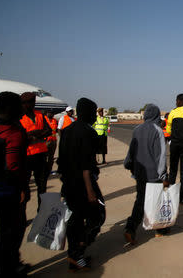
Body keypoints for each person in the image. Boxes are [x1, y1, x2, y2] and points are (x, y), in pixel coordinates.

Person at [58, 98, 105, 272]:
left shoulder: (67, 131)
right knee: (98, 215)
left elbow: (61, 162)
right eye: (93, 113)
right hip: (84, 185)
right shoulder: (88, 132)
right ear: (87, 113)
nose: (95, 116)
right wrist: (90, 191)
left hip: (69, 184)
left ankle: (74, 257)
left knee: (75, 219)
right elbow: (86, 166)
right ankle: (78, 249)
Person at [123, 104, 169, 242]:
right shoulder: (158, 130)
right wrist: (164, 176)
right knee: (156, 201)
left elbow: (132, 149)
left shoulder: (137, 129)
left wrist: (128, 164)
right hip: (153, 174)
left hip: (139, 172)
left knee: (141, 200)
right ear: (156, 116)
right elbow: (160, 156)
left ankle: (130, 229)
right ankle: (160, 229)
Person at [0, 92, 29, 277]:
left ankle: (3, 264)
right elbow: (13, 165)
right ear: (9, 108)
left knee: (1, 230)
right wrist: (21, 189)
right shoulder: (13, 132)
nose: (22, 109)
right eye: (19, 105)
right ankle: (9, 266)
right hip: (9, 190)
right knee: (13, 230)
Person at [19, 92, 51, 210]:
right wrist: (36, 133)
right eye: (27, 103)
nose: (31, 105)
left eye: (32, 102)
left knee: (42, 185)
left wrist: (33, 134)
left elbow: (48, 130)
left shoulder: (39, 115)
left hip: (41, 154)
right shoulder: (19, 117)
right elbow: (20, 135)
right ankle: (22, 212)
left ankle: (41, 210)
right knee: (24, 186)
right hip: (26, 156)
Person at [44, 110, 58, 178]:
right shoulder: (44, 120)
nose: (51, 114)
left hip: (53, 140)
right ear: (47, 113)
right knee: (44, 156)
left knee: (51, 157)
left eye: (52, 113)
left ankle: (49, 170)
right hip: (46, 141)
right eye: (50, 113)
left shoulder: (55, 120)